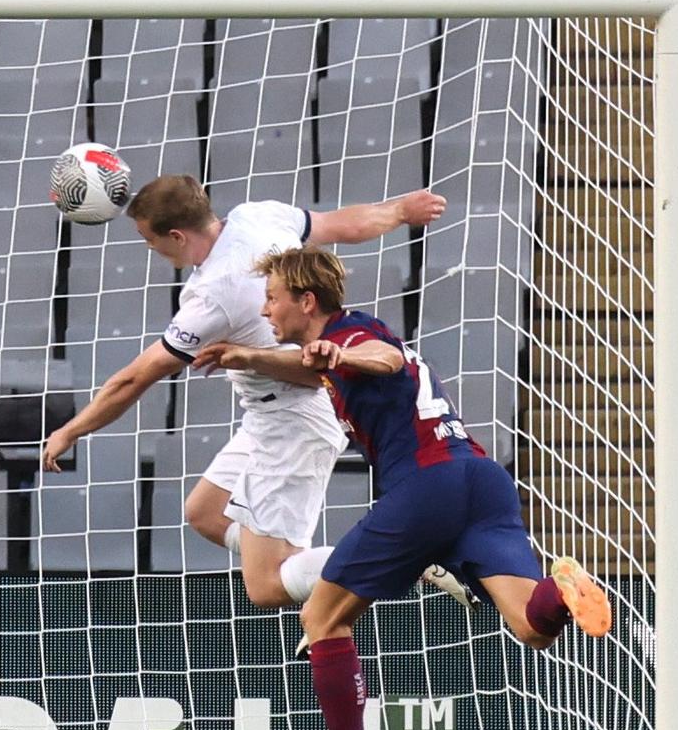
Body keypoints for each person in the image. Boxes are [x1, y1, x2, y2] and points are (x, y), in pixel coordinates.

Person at [194, 246, 611, 730]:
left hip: (425, 487)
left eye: (273, 297)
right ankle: (563, 591)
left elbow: (382, 360)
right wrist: (250, 355)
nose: (266, 306)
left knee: (321, 616)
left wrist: (338, 352)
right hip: (481, 480)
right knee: (531, 627)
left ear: (305, 302)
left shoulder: (355, 335)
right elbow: (319, 366)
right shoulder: (337, 347)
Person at [43, 174, 470, 611]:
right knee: (206, 513)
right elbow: (340, 225)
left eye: (148, 239)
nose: (149, 248)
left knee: (266, 587)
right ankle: (324, 567)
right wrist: (399, 211)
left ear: (176, 235)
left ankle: (406, 560)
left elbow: (135, 379)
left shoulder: (212, 296)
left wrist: (71, 431)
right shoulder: (256, 216)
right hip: (268, 414)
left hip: (296, 422)